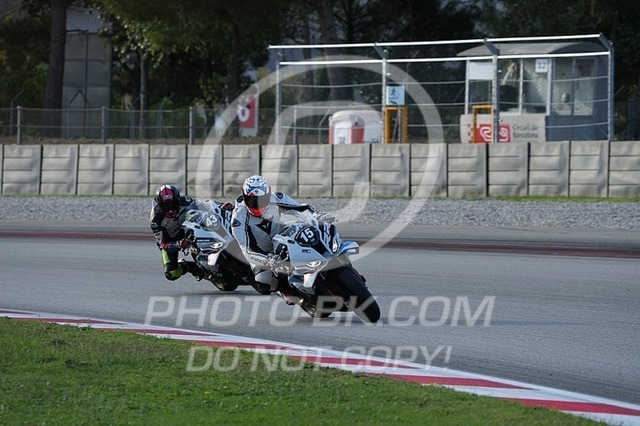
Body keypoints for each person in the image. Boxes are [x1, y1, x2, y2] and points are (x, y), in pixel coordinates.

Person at [231, 175, 334, 295]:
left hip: (282, 240)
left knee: (313, 236)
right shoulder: (238, 218)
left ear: (268, 194)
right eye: (252, 201)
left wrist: (318, 215)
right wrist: (268, 259)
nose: (257, 205)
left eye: (262, 199)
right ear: (244, 197)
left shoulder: (277, 198)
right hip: (262, 255)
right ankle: (293, 295)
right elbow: (248, 250)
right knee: (264, 282)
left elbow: (301, 208)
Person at [149, 184, 206, 281]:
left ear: (178, 200)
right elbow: (163, 244)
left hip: (191, 231)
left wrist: (221, 206)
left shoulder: (186, 201)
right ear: (160, 205)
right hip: (171, 241)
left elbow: (205, 206)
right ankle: (189, 267)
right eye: (165, 206)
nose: (170, 210)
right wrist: (178, 245)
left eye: (172, 204)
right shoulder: (155, 220)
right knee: (171, 273)